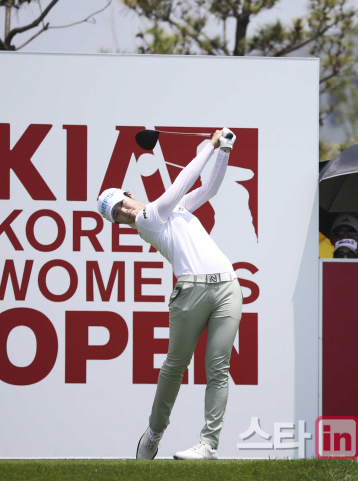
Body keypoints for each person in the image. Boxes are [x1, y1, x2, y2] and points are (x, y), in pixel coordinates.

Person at [96, 129, 241, 461]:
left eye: (121, 205)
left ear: (128, 194)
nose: (123, 213)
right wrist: (211, 144)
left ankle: (208, 444)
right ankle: (154, 434)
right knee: (175, 367)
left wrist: (225, 151)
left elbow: (210, 188)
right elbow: (181, 185)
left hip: (228, 287)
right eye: (116, 216)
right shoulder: (149, 220)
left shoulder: (174, 211)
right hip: (190, 292)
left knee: (218, 366)